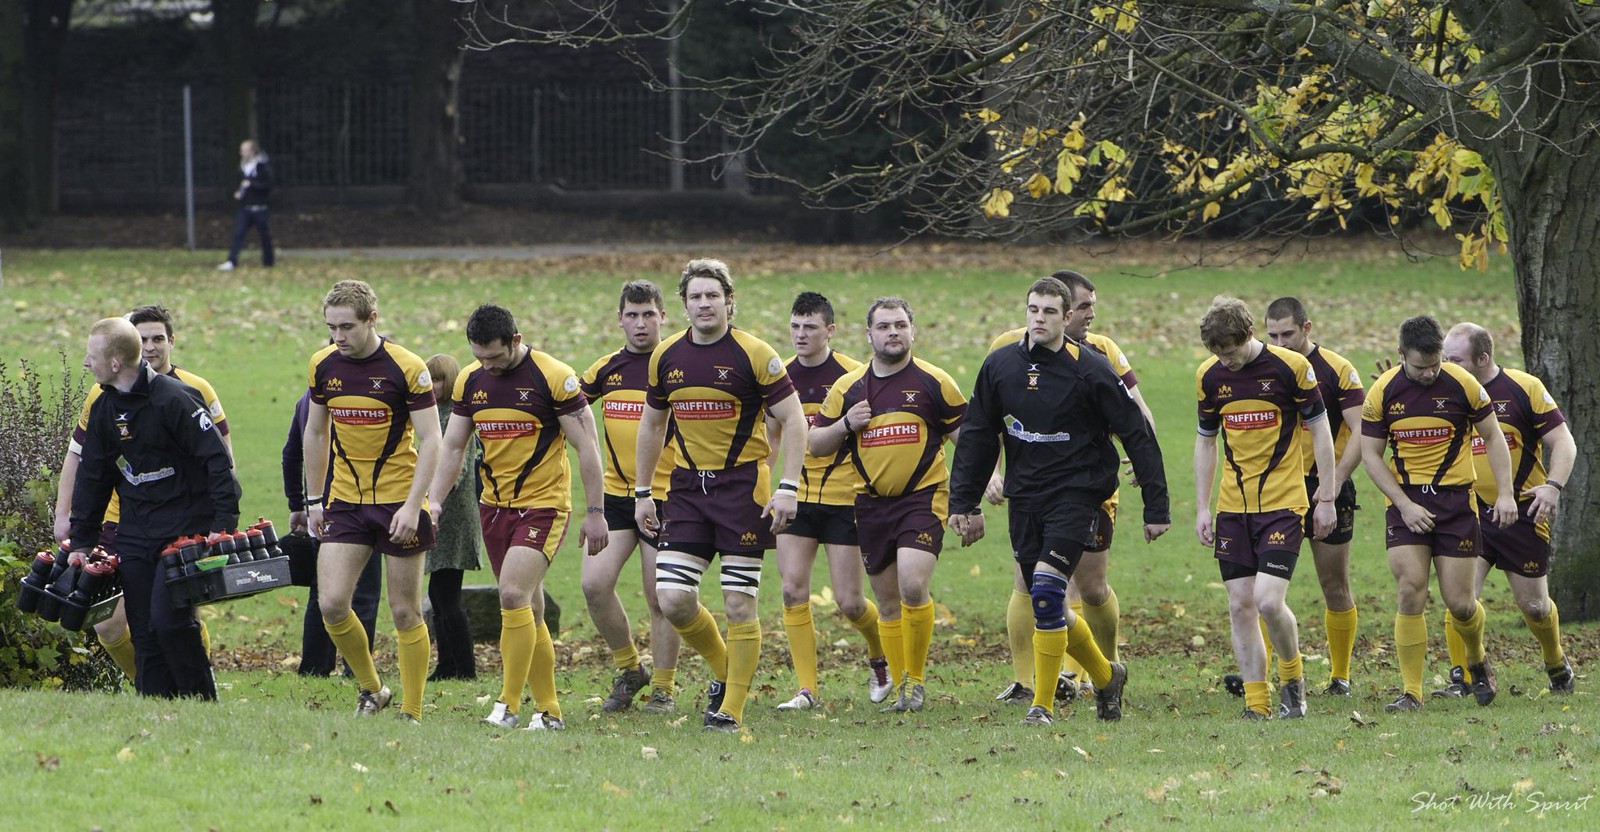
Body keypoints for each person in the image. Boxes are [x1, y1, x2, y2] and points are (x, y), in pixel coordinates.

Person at [951, 277, 1168, 726]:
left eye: (1049, 311)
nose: (1039, 319)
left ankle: (1042, 706)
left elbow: (1137, 431)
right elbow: (975, 435)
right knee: (1045, 600)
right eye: (1033, 309)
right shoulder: (999, 366)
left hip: (1077, 495)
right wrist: (965, 502)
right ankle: (1107, 677)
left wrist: (1156, 506)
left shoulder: (1092, 369)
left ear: (1066, 317)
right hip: (1025, 497)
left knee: (1049, 589)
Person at [633, 258, 808, 733]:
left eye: (713, 295)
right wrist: (643, 492)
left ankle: (731, 708)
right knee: (672, 599)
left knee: (738, 604)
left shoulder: (755, 354)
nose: (704, 304)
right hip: (686, 489)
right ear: (684, 304)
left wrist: (788, 487)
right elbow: (652, 425)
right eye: (696, 296)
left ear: (730, 301)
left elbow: (795, 421)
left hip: (742, 490)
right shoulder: (665, 356)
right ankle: (727, 671)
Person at [428, 305, 608, 731]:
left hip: (544, 505)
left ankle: (507, 705)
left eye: (494, 356)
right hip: (494, 507)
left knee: (511, 594)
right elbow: (453, 446)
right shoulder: (470, 380)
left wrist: (596, 512)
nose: (487, 366)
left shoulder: (553, 377)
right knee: (530, 609)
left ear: (515, 340)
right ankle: (549, 712)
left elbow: (587, 447)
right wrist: (433, 501)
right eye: (479, 357)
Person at [53, 304, 233, 683]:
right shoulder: (104, 407)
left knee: (171, 623)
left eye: (92, 355)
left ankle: (199, 702)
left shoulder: (177, 399)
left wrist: (223, 524)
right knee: (145, 631)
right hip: (135, 532)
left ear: (116, 362)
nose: (85, 362)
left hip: (184, 530)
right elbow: (93, 477)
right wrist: (82, 540)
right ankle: (155, 706)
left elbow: (218, 462)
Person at [809, 296, 965, 714]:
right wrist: (846, 424)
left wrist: (978, 490)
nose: (892, 332)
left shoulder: (934, 381)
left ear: (913, 330)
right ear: (869, 335)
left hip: (923, 498)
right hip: (871, 504)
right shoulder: (849, 388)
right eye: (883, 326)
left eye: (900, 325)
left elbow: (968, 441)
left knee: (912, 584)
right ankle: (901, 685)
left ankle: (915, 682)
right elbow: (816, 444)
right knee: (888, 601)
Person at [1360, 315, 1517, 713]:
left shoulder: (1464, 384)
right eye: (1421, 366)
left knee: (1460, 603)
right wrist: (1404, 505)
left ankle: (1476, 659)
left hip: (1455, 503)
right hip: (1406, 501)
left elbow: (1493, 437)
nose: (1430, 373)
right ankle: (1411, 692)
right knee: (1410, 588)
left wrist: (1505, 494)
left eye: (1436, 364)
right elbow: (1370, 456)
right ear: (1401, 354)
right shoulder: (1383, 392)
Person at [1193, 297, 1339, 720]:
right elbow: (1206, 441)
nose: (1226, 360)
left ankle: (1292, 679)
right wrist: (1202, 507)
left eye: (1231, 351)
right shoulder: (1209, 376)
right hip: (1233, 507)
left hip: (1283, 503)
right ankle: (1257, 704)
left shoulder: (1291, 369)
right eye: (1218, 353)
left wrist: (1326, 497)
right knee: (1240, 604)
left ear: (1250, 334)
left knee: (1269, 602)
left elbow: (1321, 431)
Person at [304, 279, 442, 722]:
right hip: (345, 501)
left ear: (372, 320)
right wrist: (313, 499)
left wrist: (414, 505)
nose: (338, 337)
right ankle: (373, 688)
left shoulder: (407, 367)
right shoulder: (323, 364)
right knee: (331, 603)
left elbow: (432, 439)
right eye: (331, 327)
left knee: (404, 610)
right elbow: (316, 432)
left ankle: (412, 710)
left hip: (399, 500)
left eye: (347, 327)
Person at [767, 291, 891, 711]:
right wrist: (766, 486)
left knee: (850, 602)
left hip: (844, 498)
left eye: (810, 327)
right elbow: (771, 439)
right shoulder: (780, 377)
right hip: (796, 497)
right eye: (795, 327)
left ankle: (880, 654)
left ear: (830, 330)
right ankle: (807, 689)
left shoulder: (854, 377)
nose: (801, 335)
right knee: (791, 590)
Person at [1437, 323, 1576, 696]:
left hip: (1523, 512)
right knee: (1460, 600)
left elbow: (1563, 442)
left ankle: (1555, 661)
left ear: (1483, 359)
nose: (1446, 366)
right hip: (1469, 512)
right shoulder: (1444, 391)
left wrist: (1553, 487)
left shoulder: (1523, 388)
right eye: (1444, 358)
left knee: (1535, 607)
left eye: (1455, 360)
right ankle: (1469, 672)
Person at [579, 281, 683, 713]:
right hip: (615, 497)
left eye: (649, 315)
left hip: (666, 498)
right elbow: (566, 410)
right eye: (632, 315)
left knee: (659, 597)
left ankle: (663, 687)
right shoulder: (605, 369)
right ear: (619, 319)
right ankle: (630, 668)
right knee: (593, 585)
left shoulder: (677, 364)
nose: (641, 324)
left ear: (663, 317)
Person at [1261, 297, 1367, 696]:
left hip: (1325, 487)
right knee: (1263, 588)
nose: (1280, 343)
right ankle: (1262, 672)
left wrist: (1334, 481)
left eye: (1287, 334)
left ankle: (1340, 676)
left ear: (1307, 328)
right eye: (1272, 335)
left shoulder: (1337, 370)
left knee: (1334, 584)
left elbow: (1362, 431)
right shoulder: (1261, 367)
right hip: (1276, 490)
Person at [283, 386, 383, 677]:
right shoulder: (353, 399)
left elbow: (291, 454)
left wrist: (298, 503)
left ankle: (315, 665)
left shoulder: (305, 400)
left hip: (319, 509)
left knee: (322, 589)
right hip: (356, 505)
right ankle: (357, 669)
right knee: (363, 591)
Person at [423, 353, 481, 682]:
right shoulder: (434, 413)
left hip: (452, 515)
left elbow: (455, 467)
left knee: (446, 594)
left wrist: (432, 498)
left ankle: (464, 668)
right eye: (428, 378)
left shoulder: (456, 415)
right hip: (437, 511)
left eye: (439, 379)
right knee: (438, 594)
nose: (432, 385)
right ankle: (447, 665)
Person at [218, 139, 274, 271]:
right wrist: (239, 193)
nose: (241, 153)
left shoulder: (262, 167)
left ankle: (268, 261)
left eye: (244, 150)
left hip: (260, 207)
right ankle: (232, 260)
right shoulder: (242, 167)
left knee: (264, 235)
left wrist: (252, 185)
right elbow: (241, 184)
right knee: (238, 233)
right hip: (245, 207)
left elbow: (268, 185)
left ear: (252, 151)